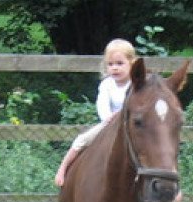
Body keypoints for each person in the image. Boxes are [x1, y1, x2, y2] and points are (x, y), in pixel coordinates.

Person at [55, 38, 137, 187]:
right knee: (82, 139)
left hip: (131, 124)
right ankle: (63, 168)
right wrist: (108, 118)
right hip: (110, 123)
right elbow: (102, 104)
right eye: (110, 64)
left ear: (131, 63)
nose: (115, 68)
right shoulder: (107, 84)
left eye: (120, 64)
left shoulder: (135, 84)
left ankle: (172, 188)